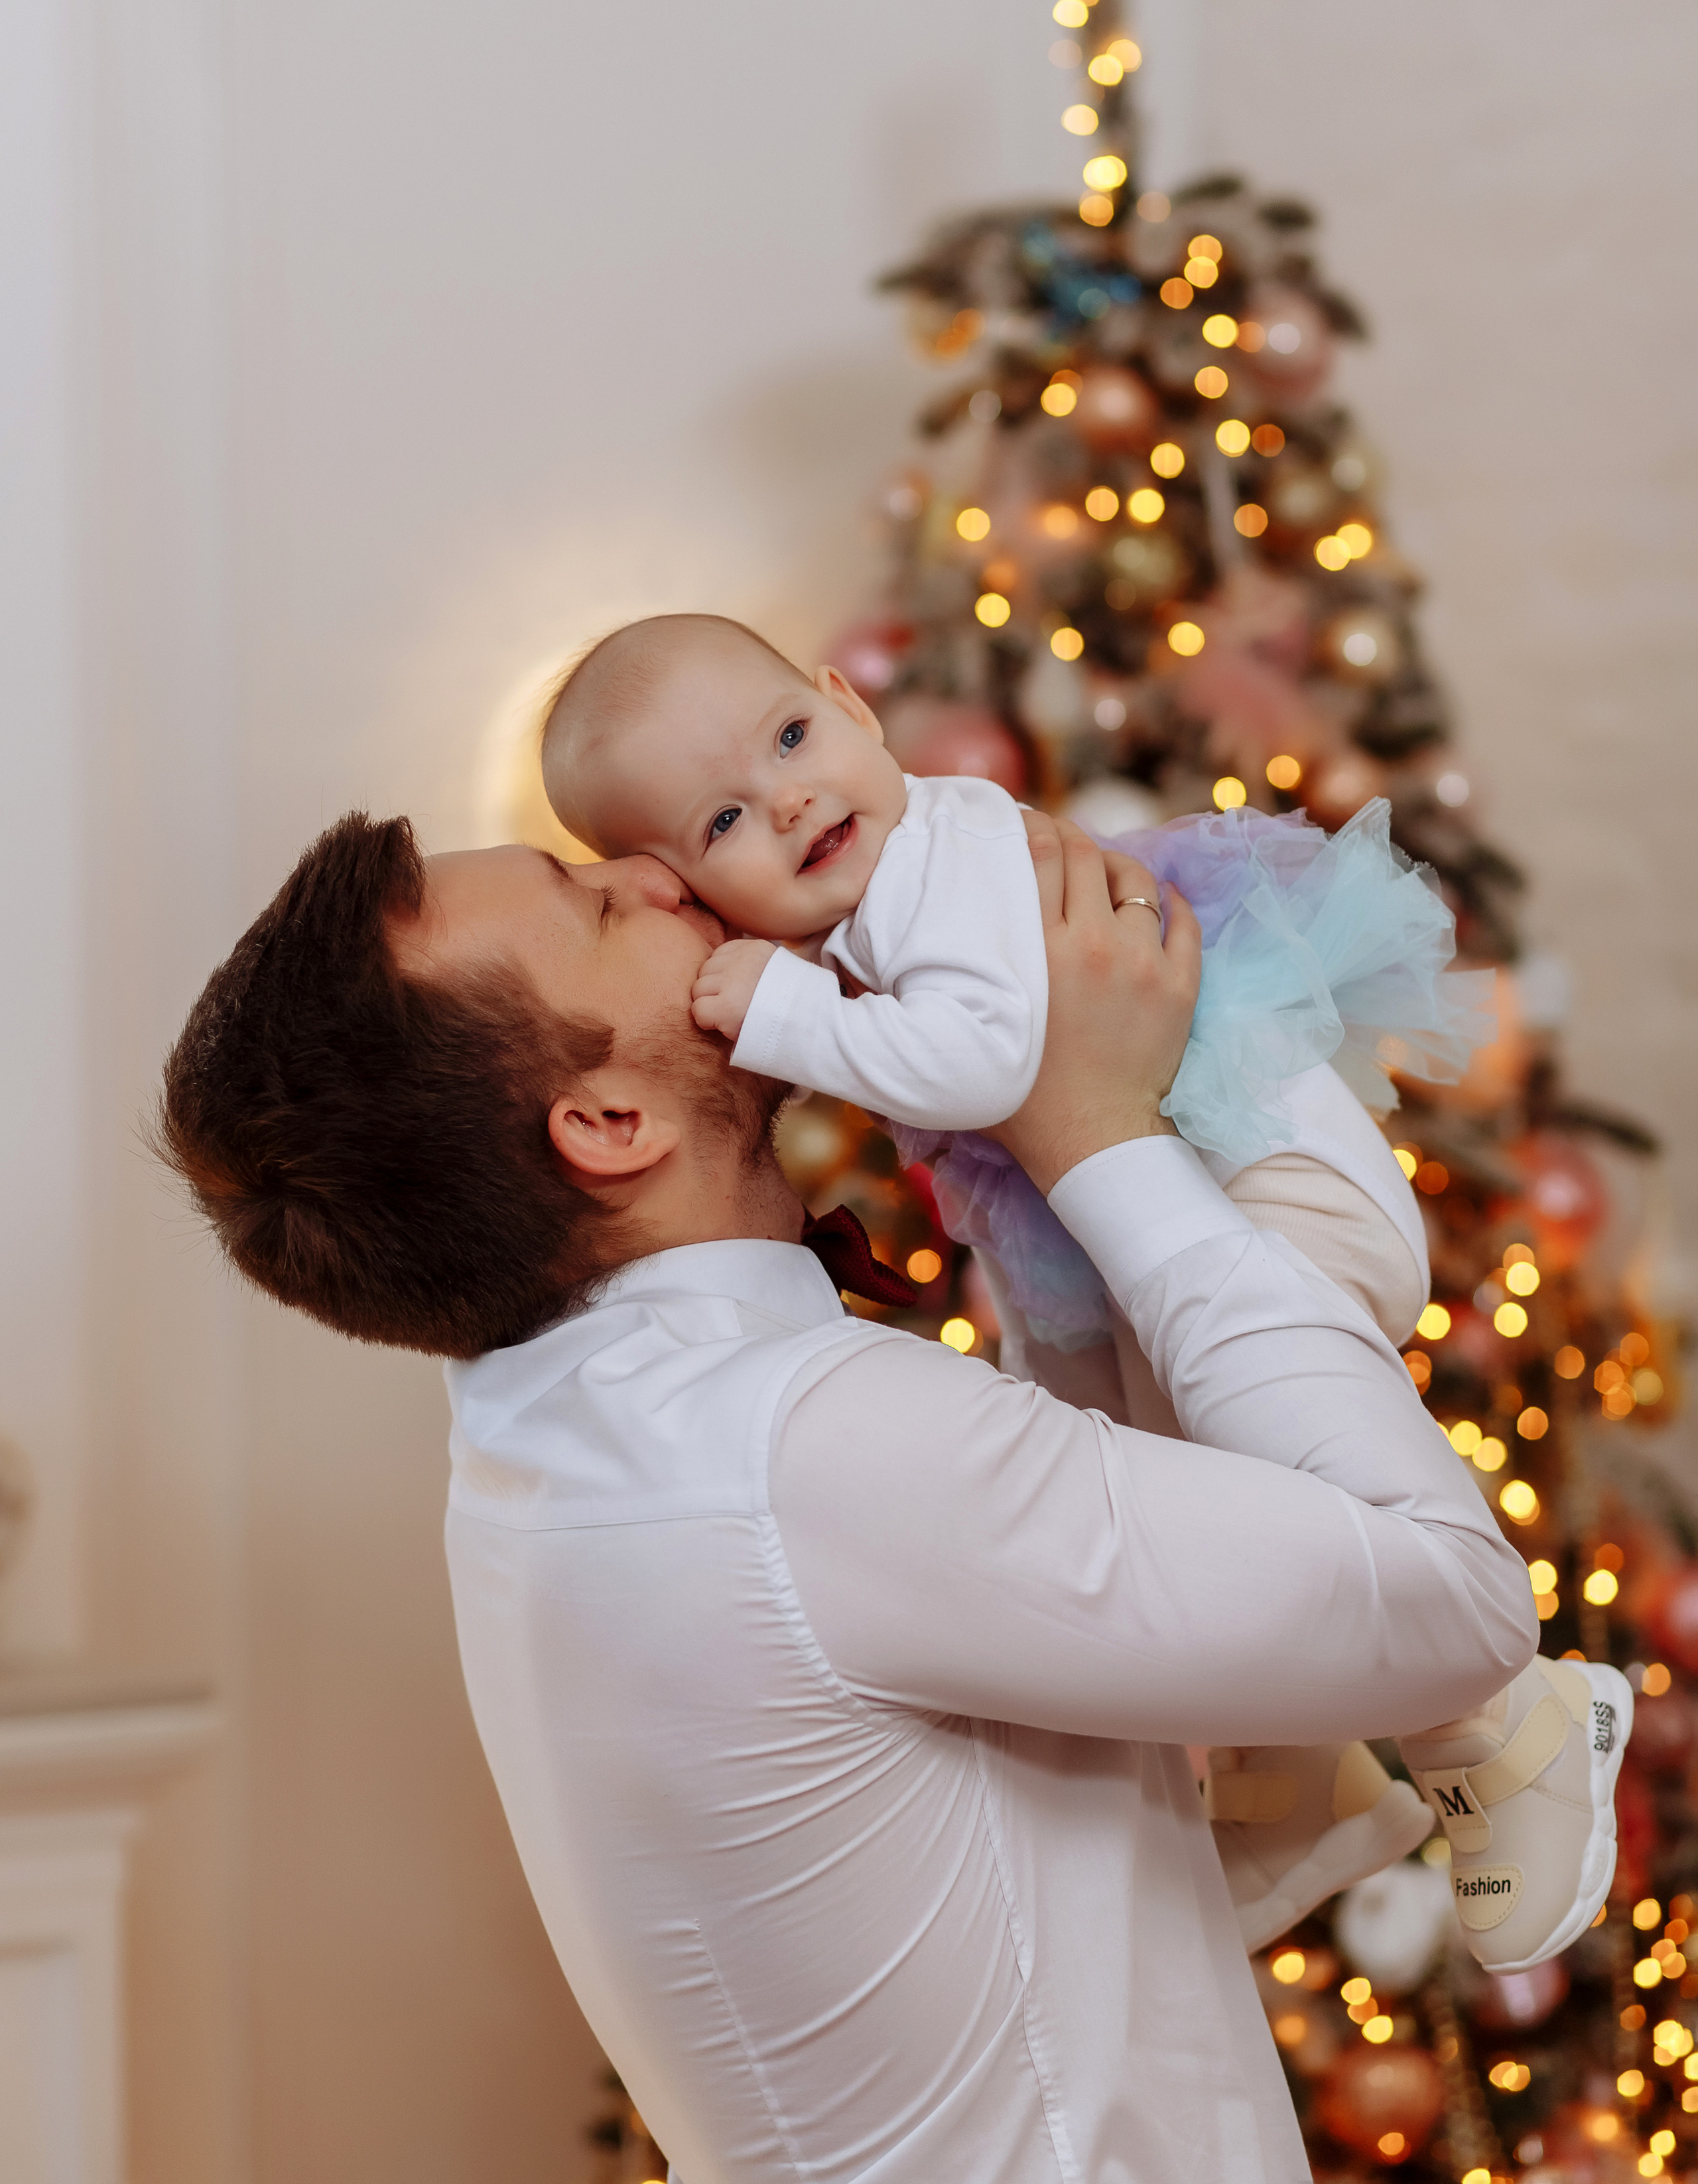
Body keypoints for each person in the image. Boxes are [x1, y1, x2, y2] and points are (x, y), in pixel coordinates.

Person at [157, 801, 1540, 2183]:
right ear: (610, 1120)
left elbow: (1055, 1570)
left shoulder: (574, 1424)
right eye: (593, 905)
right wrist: (1095, 1135)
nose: (655, 871)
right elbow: (1452, 1601)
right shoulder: (795, 1450)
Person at [537, 610, 1630, 1972]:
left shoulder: (948, 856)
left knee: (1264, 1479)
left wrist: (783, 1012)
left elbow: (991, 1061)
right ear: (685, 890)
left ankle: (1514, 1723)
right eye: (721, 821)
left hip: (1267, 1187)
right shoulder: (864, 911)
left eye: (792, 736)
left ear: (848, 707)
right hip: (1169, 1212)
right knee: (1196, 1509)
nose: (790, 798)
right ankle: (1298, 1779)